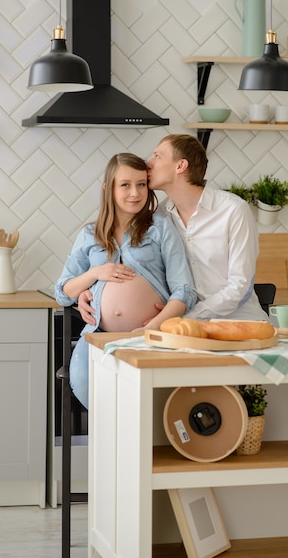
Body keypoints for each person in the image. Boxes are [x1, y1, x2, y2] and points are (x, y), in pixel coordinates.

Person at [54, 152, 197, 409]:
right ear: (108, 188)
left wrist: (153, 326)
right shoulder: (90, 234)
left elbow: (184, 290)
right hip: (100, 336)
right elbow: (63, 291)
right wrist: (94, 275)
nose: (135, 193)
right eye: (125, 185)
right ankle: (114, 446)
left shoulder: (160, 226)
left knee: (146, 402)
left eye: (141, 184)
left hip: (151, 336)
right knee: (83, 382)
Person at [78, 134, 267, 324]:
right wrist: (90, 291)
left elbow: (240, 287)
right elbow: (137, 268)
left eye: (157, 156)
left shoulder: (233, 210)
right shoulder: (159, 218)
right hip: (180, 329)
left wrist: (184, 316)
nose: (148, 164)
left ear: (180, 166)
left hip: (239, 322)